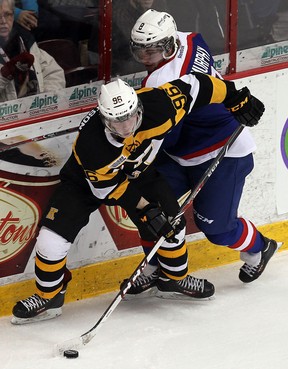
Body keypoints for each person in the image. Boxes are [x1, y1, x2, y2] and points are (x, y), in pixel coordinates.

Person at [11, 68, 264, 323]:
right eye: (116, 121)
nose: (126, 126)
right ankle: (49, 297)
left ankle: (173, 280)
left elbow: (197, 85)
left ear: (138, 108)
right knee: (50, 242)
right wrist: (145, 208)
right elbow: (108, 187)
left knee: (171, 225)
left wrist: (235, 97)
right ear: (103, 118)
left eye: (130, 117)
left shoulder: (160, 106)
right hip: (85, 183)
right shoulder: (92, 143)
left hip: (139, 173)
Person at [125, 9, 281, 295]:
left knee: (217, 229)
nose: (145, 58)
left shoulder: (160, 84)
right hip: (184, 149)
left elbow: (165, 137)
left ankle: (261, 246)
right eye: (140, 51)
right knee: (150, 206)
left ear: (169, 45)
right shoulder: (191, 39)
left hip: (223, 150)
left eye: (152, 51)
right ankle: (155, 265)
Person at [0, 0, 65, 101]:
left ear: (13, 16)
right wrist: (3, 76)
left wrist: (45, 100)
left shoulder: (26, 40)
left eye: (7, 14)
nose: (3, 21)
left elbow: (53, 72)